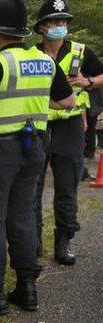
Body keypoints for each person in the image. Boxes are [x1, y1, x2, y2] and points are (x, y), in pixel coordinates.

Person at [0, 0, 75, 315]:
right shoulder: (45, 61)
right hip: (34, 146)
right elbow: (67, 101)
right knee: (23, 216)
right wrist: (34, 107)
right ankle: (26, 288)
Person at [33, 0, 103, 265]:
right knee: (32, 187)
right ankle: (33, 242)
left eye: (64, 21)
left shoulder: (81, 51)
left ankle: (64, 241)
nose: (61, 26)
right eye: (55, 21)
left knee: (66, 186)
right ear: (42, 27)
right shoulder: (32, 54)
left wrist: (88, 82)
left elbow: (101, 76)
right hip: (39, 126)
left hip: (70, 127)